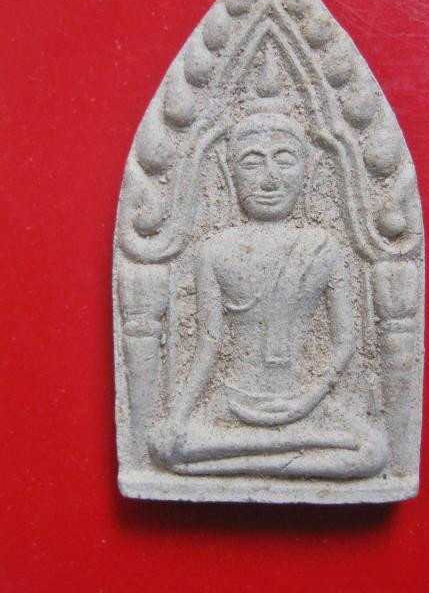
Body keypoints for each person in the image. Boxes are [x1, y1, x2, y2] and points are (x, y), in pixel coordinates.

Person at [150, 112, 387, 478]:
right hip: (233, 402)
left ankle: (247, 462)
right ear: (229, 173)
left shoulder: (324, 246)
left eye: (285, 160)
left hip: (307, 403)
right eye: (252, 162)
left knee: (374, 452)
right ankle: (285, 458)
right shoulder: (215, 249)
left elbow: (345, 342)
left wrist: (308, 398)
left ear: (308, 171)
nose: (270, 179)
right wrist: (179, 415)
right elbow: (209, 346)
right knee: (166, 447)